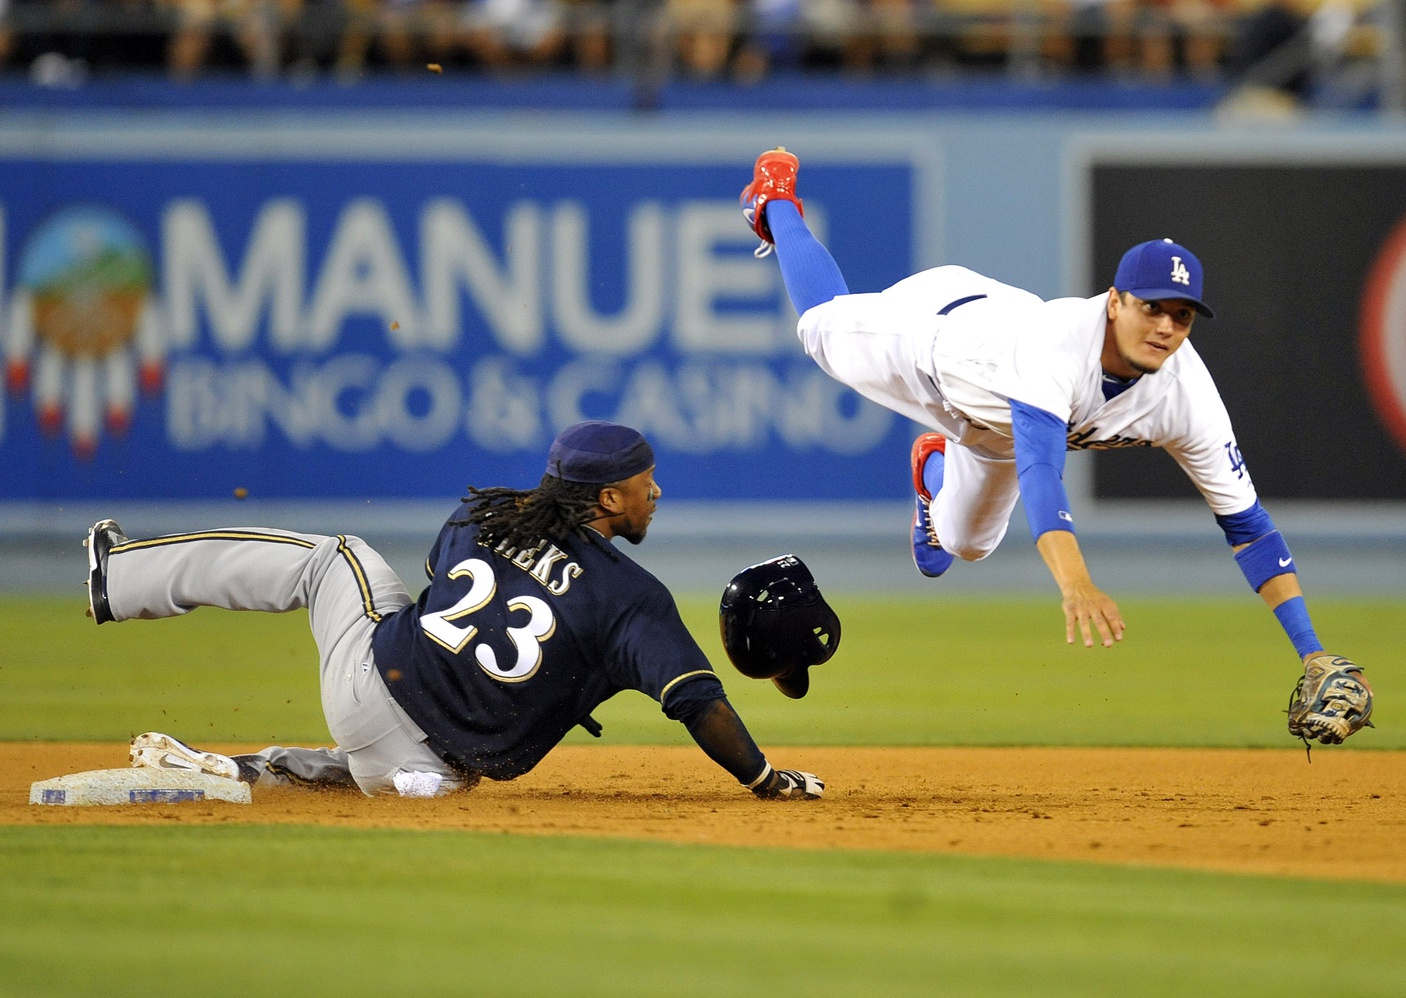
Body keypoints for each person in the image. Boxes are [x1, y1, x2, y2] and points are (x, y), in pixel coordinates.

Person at [738, 147, 1374, 744]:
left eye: (1181, 316)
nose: (1164, 327)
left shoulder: (1187, 397)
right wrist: (1076, 584)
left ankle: (934, 471)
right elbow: (1043, 477)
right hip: (938, 336)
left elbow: (1250, 529)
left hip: (997, 429)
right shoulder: (1057, 346)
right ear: (1115, 301)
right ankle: (775, 201)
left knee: (966, 546)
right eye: (1152, 307)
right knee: (819, 328)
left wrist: (1311, 649)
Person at [86, 420, 826, 799]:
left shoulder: (495, 514)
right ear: (608, 500)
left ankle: (124, 583)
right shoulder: (634, 600)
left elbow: (444, 582)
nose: (654, 492)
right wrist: (764, 778)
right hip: (437, 773)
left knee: (332, 560)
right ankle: (292, 772)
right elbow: (700, 704)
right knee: (396, 764)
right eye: (644, 482)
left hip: (368, 686)